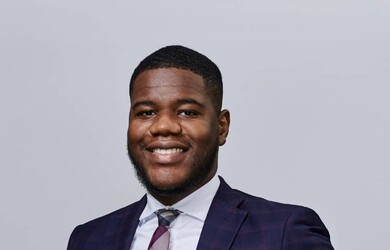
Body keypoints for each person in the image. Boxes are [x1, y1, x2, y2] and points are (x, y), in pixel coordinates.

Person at [67, 45, 334, 249]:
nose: (163, 126)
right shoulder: (90, 239)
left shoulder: (284, 232)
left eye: (186, 112)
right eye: (146, 113)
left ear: (221, 127)